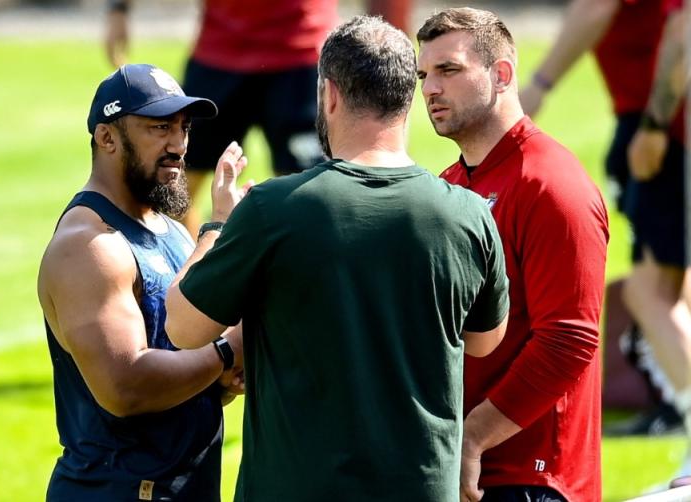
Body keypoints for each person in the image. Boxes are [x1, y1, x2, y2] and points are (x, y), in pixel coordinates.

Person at [163, 15, 510, 500]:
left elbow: (182, 327)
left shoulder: (271, 210)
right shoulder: (468, 213)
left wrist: (218, 225)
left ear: (328, 95)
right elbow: (484, 341)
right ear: (407, 97)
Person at [417, 7, 610, 501]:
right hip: (470, 471)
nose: (430, 89)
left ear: (501, 74)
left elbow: (568, 341)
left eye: (449, 70)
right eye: (424, 75)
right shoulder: (450, 184)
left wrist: (473, 438)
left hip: (535, 480)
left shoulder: (552, 185)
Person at [37, 63, 244, 501]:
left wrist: (223, 380)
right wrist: (228, 351)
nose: (179, 145)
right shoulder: (89, 245)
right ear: (107, 137)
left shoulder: (168, 229)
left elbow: (183, 379)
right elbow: (126, 387)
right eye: (159, 128)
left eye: (183, 128)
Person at [519, 0, 690, 442]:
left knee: (650, 294)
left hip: (669, 124)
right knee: (667, 286)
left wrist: (538, 85)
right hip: (664, 118)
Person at [104, 0, 412, 237]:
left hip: (301, 51)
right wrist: (118, 9)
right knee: (169, 185)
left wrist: (392, 35)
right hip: (219, 49)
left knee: (315, 200)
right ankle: (197, 280)